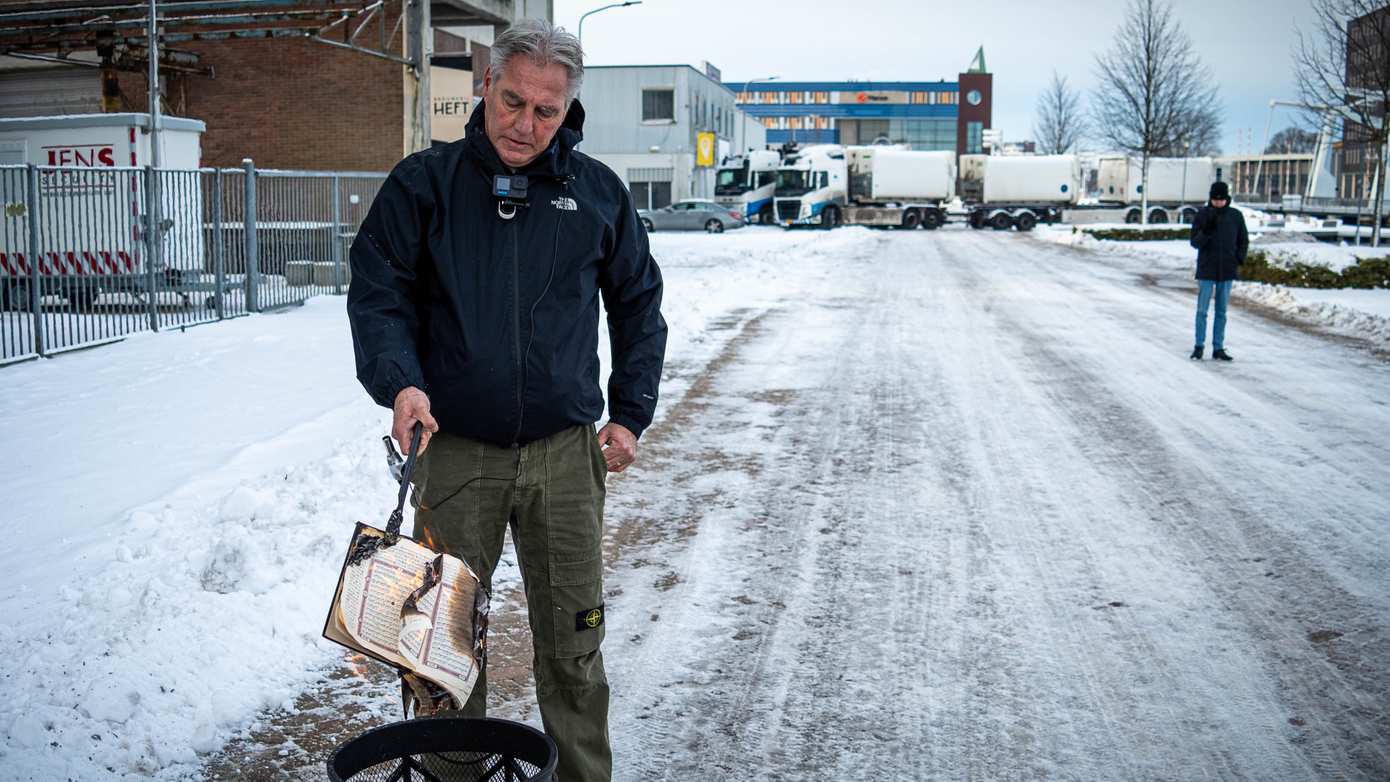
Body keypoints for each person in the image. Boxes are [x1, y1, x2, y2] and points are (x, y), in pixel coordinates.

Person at [346, 18, 667, 781]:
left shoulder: (596, 194)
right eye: (513, 101)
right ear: (486, 86)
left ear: (568, 110)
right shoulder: (423, 186)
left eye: (546, 111)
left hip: (564, 457)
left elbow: (638, 303)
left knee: (575, 644)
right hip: (455, 454)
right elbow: (378, 292)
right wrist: (400, 381)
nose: (526, 125)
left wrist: (629, 412)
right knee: (441, 649)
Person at [1188, 180, 1248, 361]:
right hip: (1207, 269)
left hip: (1226, 270)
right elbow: (1194, 242)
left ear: (1227, 199)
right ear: (1210, 199)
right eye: (1215, 199)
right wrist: (1206, 231)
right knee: (1202, 311)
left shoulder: (1235, 216)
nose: (1218, 202)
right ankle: (1199, 346)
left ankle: (1218, 347)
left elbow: (1243, 240)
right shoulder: (1202, 215)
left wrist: (1238, 258)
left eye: (1221, 200)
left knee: (1221, 311)